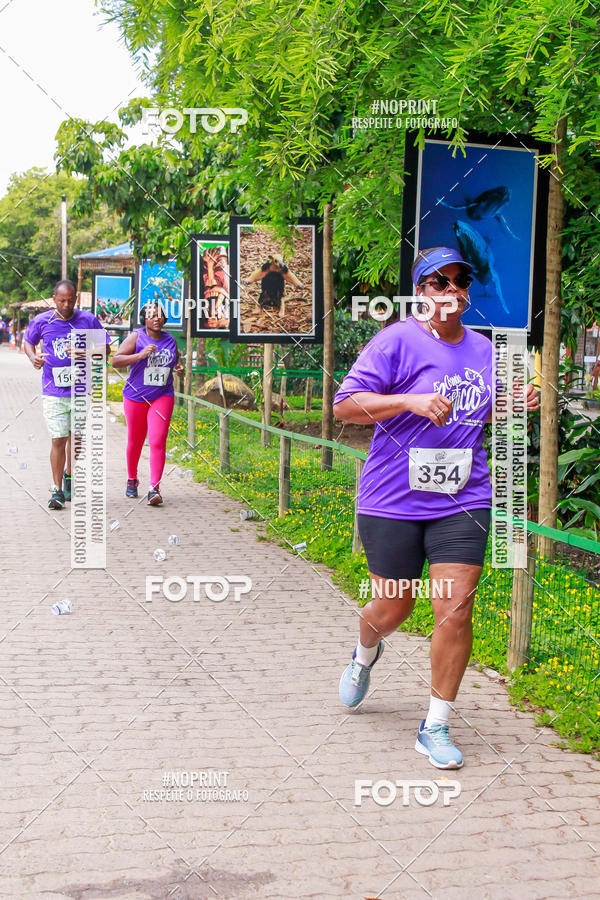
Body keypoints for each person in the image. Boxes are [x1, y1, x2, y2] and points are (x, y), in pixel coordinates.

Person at [334, 247, 539, 769]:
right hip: (392, 500)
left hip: (462, 500)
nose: (451, 290)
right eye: (438, 282)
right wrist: (408, 401)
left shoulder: (485, 350)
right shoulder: (395, 340)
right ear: (420, 292)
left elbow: (483, 413)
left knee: (455, 606)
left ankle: (437, 723)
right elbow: (343, 406)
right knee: (394, 605)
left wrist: (517, 401)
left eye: (459, 281)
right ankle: (365, 652)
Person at [24, 280, 110, 510]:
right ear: (54, 299)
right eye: (62, 300)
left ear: (76, 298)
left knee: (77, 438)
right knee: (58, 438)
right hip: (53, 390)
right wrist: (33, 358)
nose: (66, 304)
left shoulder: (88, 320)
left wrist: (85, 351)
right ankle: (57, 490)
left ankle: (70, 474)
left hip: (81, 389)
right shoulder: (43, 321)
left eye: (71, 300)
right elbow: (28, 342)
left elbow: (107, 350)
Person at [112, 302, 183, 506]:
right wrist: (140, 355)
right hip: (136, 396)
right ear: (144, 319)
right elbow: (115, 360)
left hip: (162, 395)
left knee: (158, 440)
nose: (156, 318)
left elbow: (174, 361)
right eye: (151, 315)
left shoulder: (170, 340)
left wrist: (179, 369)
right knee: (135, 440)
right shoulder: (137, 336)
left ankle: (154, 488)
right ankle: (132, 479)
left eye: (160, 315)